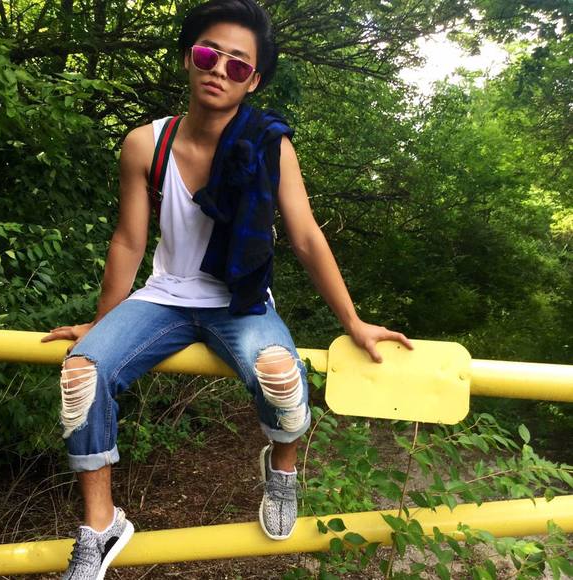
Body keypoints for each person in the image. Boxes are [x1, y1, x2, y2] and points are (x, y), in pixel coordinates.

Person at [42, 0, 413, 577]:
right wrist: (102, 322)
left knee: (282, 380)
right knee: (82, 373)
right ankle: (101, 523)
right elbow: (129, 241)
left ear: (253, 80)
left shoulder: (268, 144)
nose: (219, 69)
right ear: (188, 59)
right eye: (207, 54)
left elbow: (306, 236)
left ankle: (282, 469)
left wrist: (353, 321)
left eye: (237, 64)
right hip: (165, 296)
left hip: (240, 300)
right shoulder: (145, 144)